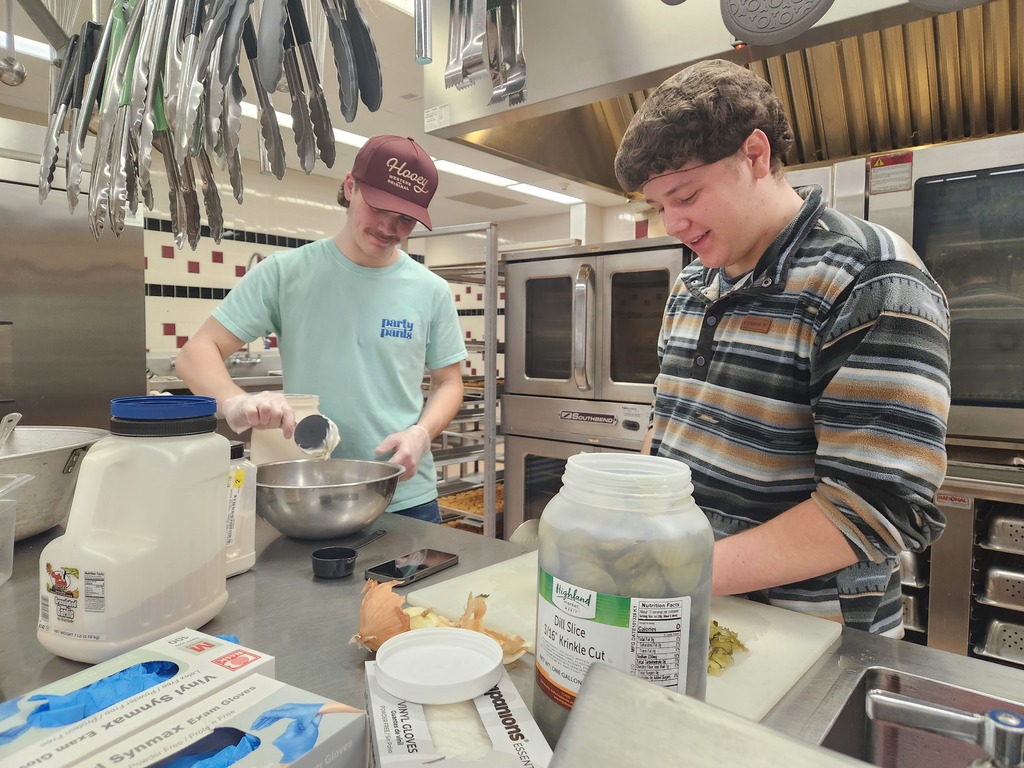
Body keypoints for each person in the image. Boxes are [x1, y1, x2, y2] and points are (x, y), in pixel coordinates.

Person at [613, 59, 951, 635]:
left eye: (686, 195)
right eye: (658, 205)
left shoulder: (869, 277)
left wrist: (682, 572)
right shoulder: (692, 285)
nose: (672, 223)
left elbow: (878, 505)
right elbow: (667, 427)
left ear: (755, 155)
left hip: (813, 636)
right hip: (693, 608)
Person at [176, 135, 467, 523]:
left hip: (404, 495)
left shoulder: (431, 290)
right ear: (351, 187)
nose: (387, 226)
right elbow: (196, 352)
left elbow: (450, 382)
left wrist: (421, 434)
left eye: (405, 219)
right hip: (306, 493)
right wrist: (236, 402)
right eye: (378, 206)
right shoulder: (285, 273)